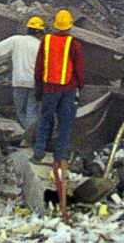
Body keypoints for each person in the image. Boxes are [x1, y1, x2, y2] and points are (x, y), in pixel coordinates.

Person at [33, 9, 85, 164]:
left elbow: (39, 65)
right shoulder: (74, 44)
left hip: (49, 88)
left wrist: (38, 85)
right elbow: (79, 68)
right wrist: (80, 86)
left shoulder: (46, 40)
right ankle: (59, 157)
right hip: (68, 90)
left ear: (55, 25)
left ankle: (38, 154)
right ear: (70, 26)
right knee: (65, 123)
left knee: (45, 120)